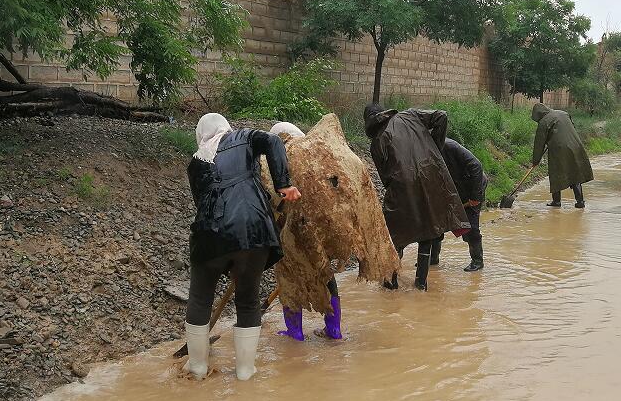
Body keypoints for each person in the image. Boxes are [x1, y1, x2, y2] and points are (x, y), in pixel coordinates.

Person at [184, 113, 301, 381]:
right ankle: (245, 371)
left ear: (201, 135)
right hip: (253, 230)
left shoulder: (195, 163)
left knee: (200, 298)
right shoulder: (244, 137)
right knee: (247, 300)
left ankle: (198, 367)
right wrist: (283, 184)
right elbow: (273, 140)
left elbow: (200, 204)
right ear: (226, 128)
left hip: (209, 234)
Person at [266, 117, 400, 341]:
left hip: (292, 230)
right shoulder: (323, 156)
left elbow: (272, 197)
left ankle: (295, 333)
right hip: (324, 230)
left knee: (291, 279)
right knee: (326, 274)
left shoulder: (280, 157)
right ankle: (333, 330)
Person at [364, 103, 470, 291]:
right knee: (428, 229)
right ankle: (421, 283)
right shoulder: (410, 115)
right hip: (432, 176)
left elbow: (385, 177)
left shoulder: (377, 142)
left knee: (394, 235)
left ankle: (391, 281)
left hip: (401, 185)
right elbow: (441, 115)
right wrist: (435, 148)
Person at [436, 138, 487, 272]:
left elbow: (476, 166)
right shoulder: (423, 149)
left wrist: (475, 196)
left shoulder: (450, 146)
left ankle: (477, 261)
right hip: (452, 189)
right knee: (436, 223)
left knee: (470, 225)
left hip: (472, 186)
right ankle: (432, 259)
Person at [531, 103, 593, 208]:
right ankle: (580, 201)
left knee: (555, 173)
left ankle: (556, 201)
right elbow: (571, 126)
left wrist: (536, 160)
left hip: (559, 150)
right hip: (576, 145)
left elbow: (539, 144)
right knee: (575, 173)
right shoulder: (563, 113)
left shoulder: (543, 122)